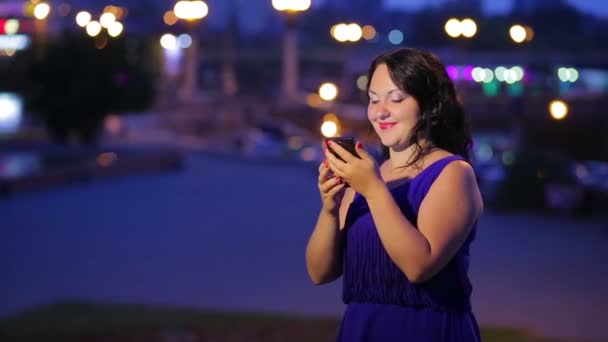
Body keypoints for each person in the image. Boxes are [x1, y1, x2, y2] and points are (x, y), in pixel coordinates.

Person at [305, 47, 484, 341]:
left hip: (426, 330)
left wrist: (374, 190)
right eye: (373, 99)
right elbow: (319, 273)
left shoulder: (452, 173)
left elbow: (419, 266)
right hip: (362, 328)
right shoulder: (370, 175)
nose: (380, 111)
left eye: (396, 98)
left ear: (430, 106)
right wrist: (329, 207)